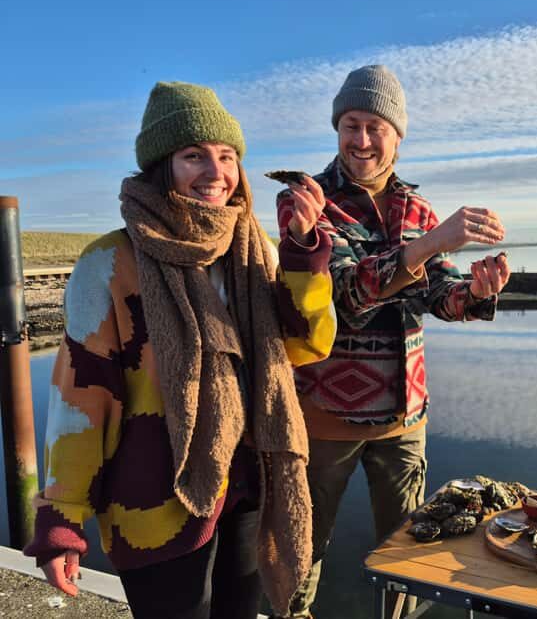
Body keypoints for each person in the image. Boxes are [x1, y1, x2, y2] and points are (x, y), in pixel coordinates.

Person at [24, 81, 337, 619]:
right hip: (152, 501)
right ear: (161, 165)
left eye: (226, 157)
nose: (215, 174)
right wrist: (62, 518)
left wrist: (305, 260)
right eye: (194, 156)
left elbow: (306, 345)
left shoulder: (255, 251)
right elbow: (81, 399)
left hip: (245, 487)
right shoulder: (110, 263)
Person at [270, 65, 510, 618]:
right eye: (351, 124)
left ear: (398, 136)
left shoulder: (418, 210)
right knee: (303, 545)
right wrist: (429, 244)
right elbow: (347, 297)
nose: (361, 140)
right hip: (324, 416)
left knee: (408, 552)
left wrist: (476, 290)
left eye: (375, 127)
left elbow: (439, 297)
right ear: (336, 128)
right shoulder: (307, 201)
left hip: (406, 418)